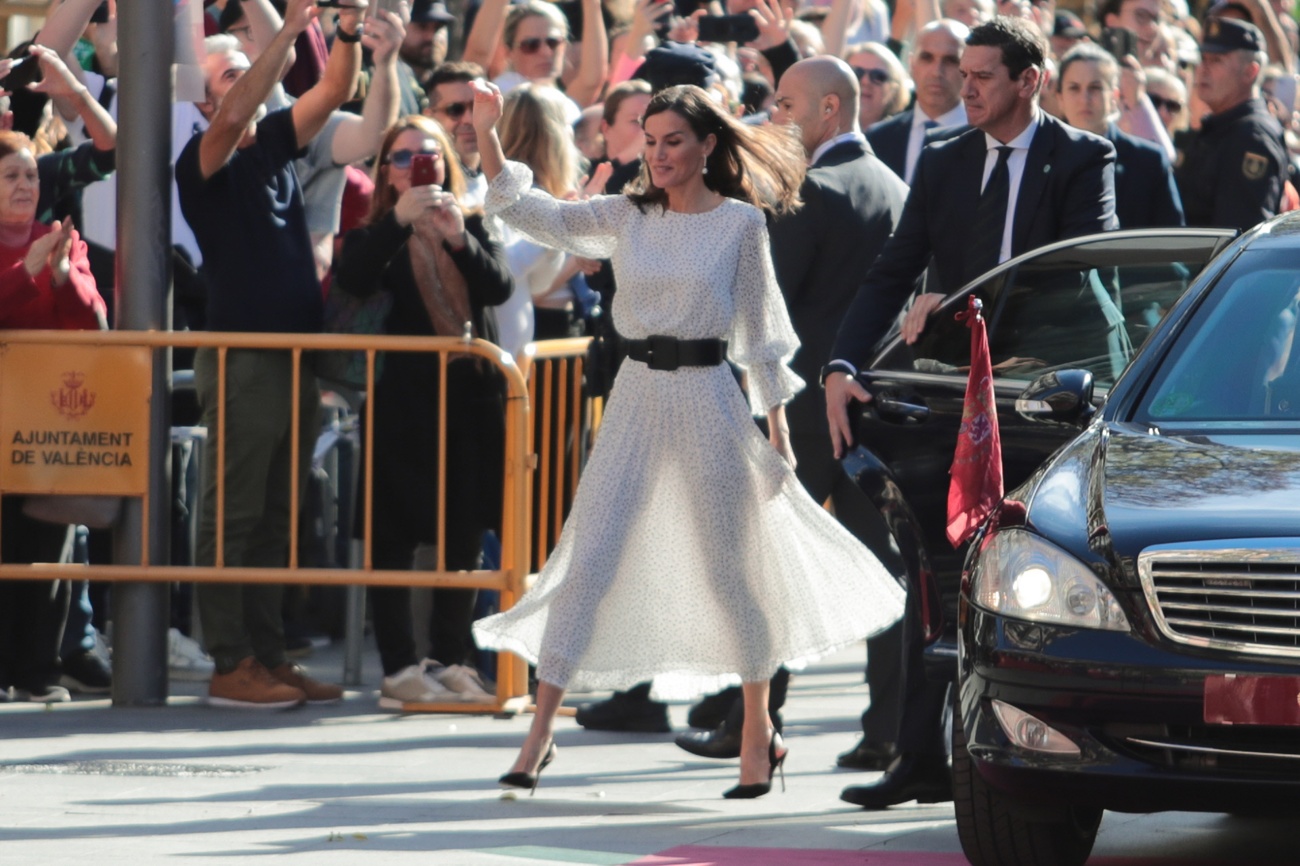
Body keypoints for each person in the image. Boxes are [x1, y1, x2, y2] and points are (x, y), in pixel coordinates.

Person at [470, 81, 906, 798]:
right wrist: (489, 135)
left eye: (674, 141)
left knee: (734, 573)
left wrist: (781, 440)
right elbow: (534, 214)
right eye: (650, 140)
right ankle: (539, 736)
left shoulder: (740, 224)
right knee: (590, 561)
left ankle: (757, 731)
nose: (659, 154)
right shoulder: (625, 215)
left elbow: (764, 341)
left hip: (709, 400)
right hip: (636, 400)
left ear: (707, 145)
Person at [825, 16, 1116, 809]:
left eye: (983, 72)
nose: (966, 84)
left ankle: (1044, 757)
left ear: (1029, 81)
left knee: (1027, 585)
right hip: (957, 405)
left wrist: (957, 307)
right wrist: (844, 364)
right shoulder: (947, 162)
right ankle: (918, 755)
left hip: (1042, 408)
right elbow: (892, 271)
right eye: (963, 70)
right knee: (936, 575)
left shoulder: (1084, 158)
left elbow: (1081, 272)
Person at [675, 55, 910, 765]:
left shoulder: (809, 193)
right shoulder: (897, 188)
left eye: (784, 104)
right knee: (884, 570)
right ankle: (889, 731)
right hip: (880, 409)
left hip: (801, 413)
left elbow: (759, 310)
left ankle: (757, 724)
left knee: (767, 565)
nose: (773, 117)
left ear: (829, 111)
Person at [176, 0, 363, 708]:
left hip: (295, 355)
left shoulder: (277, 147)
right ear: (203, 94)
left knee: (280, 515)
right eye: (231, 73)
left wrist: (344, 34)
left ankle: (266, 652)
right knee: (237, 513)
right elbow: (229, 120)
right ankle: (231, 662)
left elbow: (336, 91)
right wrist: (282, 37)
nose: (249, 80)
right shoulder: (202, 162)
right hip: (246, 354)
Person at [334, 115, 513, 706]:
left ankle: (450, 658)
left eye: (427, 154)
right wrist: (397, 223)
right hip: (402, 400)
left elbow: (497, 289)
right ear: (385, 171)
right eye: (402, 156)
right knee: (394, 537)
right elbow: (354, 277)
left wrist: (457, 237)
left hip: (472, 395)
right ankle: (399, 667)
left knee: (463, 534)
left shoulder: (475, 220)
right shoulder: (370, 233)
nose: (416, 165)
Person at [0, 127, 107, 704]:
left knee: (49, 544)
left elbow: (92, 322)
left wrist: (62, 276)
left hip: (46, 419)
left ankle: (36, 672)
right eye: (12, 175)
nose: (25, 185)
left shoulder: (62, 239)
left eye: (32, 175)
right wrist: (23, 273)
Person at [1176, 17, 1287, 231]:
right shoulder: (1222, 126)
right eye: (1203, 58)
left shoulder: (1251, 137)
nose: (1203, 69)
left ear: (1250, 72)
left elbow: (1238, 235)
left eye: (1217, 60)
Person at [1057, 43, 1184, 228]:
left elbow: (1174, 241)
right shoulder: (1040, 158)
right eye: (1074, 88)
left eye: (1095, 88)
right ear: (1060, 97)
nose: (1084, 99)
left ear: (1114, 97)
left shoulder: (1149, 162)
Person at [866, 19, 970, 183]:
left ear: (969, 69)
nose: (937, 71)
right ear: (911, 63)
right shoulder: (878, 138)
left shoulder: (986, 138)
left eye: (950, 60)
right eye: (927, 58)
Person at [425, 61, 488, 206]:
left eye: (478, 107)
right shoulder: (427, 188)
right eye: (455, 110)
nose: (469, 119)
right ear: (430, 118)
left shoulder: (506, 177)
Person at [844, 42, 910, 129]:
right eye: (856, 72)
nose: (865, 81)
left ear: (894, 89)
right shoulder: (821, 131)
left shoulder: (903, 137)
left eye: (878, 76)